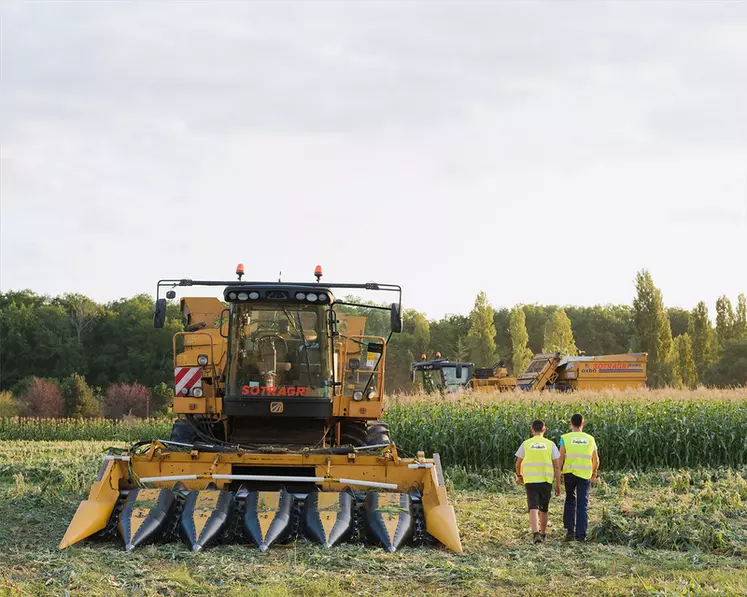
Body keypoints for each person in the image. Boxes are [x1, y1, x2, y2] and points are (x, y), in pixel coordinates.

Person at [515, 419, 562, 544]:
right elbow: (557, 466)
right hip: (546, 480)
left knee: (533, 506)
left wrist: (520, 475)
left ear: (532, 430)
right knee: (544, 508)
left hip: (530, 479)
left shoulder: (526, 444)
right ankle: (543, 533)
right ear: (544, 430)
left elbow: (518, 463)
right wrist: (558, 484)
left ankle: (535, 533)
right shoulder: (550, 444)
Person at [559, 413, 599, 542]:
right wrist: (594, 471)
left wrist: (558, 473)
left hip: (569, 473)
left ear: (571, 423)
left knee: (570, 499)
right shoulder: (590, 439)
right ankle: (581, 535)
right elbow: (596, 459)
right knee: (582, 503)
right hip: (585, 474)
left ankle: (570, 532)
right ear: (583, 423)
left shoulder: (565, 438)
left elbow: (561, 458)